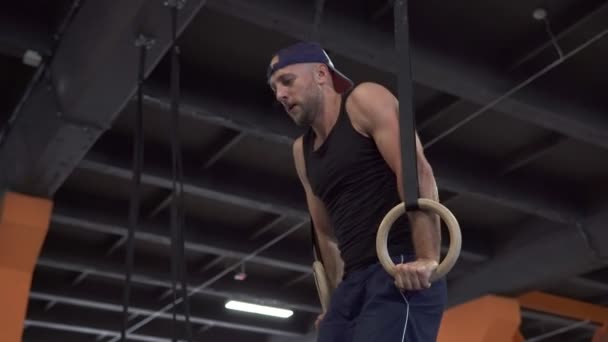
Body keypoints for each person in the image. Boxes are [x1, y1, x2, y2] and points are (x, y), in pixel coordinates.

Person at [266, 41, 447, 342]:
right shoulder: (302, 151)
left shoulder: (363, 100)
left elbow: (416, 172)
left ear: (322, 74)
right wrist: (336, 302)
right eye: (274, 88)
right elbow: (325, 234)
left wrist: (427, 257)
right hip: (354, 281)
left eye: (287, 81)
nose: (281, 95)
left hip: (401, 269)